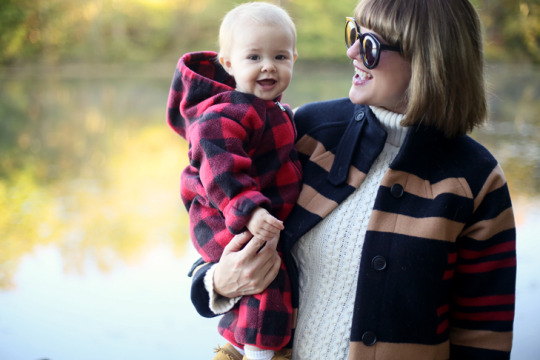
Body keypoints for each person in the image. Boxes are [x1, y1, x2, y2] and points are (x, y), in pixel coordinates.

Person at [187, 0, 518, 359]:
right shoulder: (308, 130)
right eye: (354, 33)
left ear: (429, 58)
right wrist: (219, 283)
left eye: (371, 46)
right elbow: (215, 219)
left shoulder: (476, 179)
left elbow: (483, 338)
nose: (352, 51)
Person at [166, 2, 302, 360]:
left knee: (268, 269)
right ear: (228, 64)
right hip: (221, 214)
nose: (268, 65)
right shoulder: (225, 113)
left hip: (240, 213)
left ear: (294, 59)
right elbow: (221, 169)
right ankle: (256, 355)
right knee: (267, 273)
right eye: (254, 57)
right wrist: (250, 210)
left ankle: (240, 345)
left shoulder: (277, 112)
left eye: (280, 56)